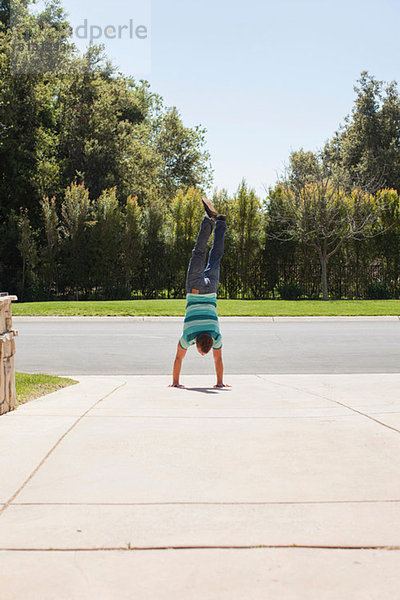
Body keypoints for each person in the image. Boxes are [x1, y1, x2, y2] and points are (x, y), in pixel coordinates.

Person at [170, 196, 230, 389]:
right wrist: (175, 382)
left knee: (215, 256)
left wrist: (220, 382)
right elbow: (178, 358)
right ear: (197, 343)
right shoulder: (188, 335)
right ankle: (207, 219)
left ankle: (220, 222)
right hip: (195, 288)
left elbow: (218, 360)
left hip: (211, 288)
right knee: (199, 252)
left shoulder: (217, 336)